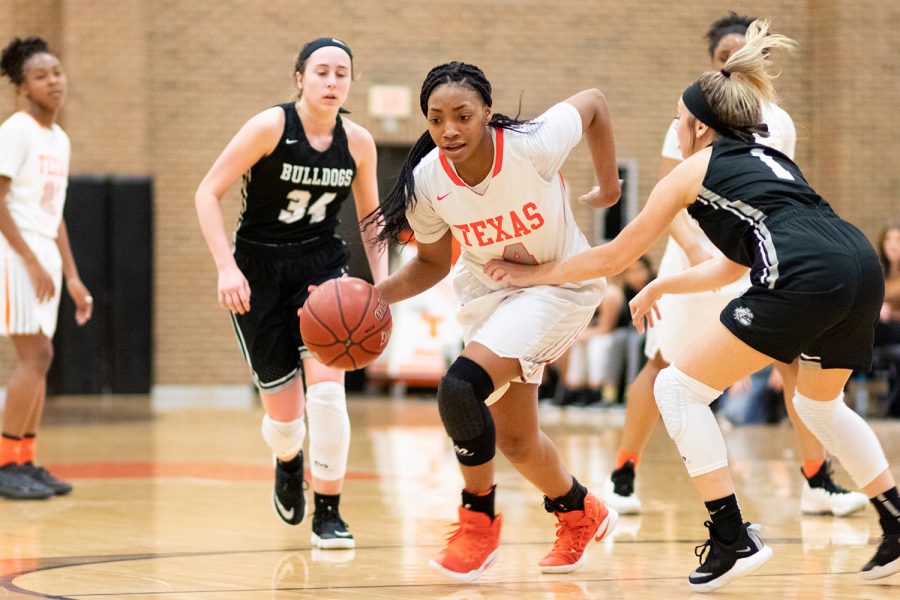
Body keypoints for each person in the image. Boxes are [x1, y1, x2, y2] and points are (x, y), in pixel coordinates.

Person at [485, 21, 900, 589]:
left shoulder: (692, 171)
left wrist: (533, 272)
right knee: (821, 407)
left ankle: (732, 534)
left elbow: (613, 257)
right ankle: (896, 520)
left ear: (698, 127)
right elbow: (732, 264)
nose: (676, 131)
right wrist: (660, 287)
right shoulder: (768, 158)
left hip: (805, 271)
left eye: (679, 122)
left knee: (676, 389)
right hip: (856, 263)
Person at [602, 12, 866, 520]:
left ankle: (818, 480)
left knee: (793, 363)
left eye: (743, 53)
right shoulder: (688, 120)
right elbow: (667, 200)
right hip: (695, 255)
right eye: (724, 56)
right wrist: (697, 252)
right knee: (663, 366)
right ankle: (623, 472)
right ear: (713, 65)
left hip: (756, 255)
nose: (734, 62)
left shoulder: (779, 122)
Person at [367, 61, 621, 581]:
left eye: (462, 115)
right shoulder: (428, 179)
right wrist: (372, 296)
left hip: (557, 287)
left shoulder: (531, 144)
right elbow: (432, 264)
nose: (449, 130)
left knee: (460, 389)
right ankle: (579, 511)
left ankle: (478, 525)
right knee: (517, 441)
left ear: (486, 111)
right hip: (492, 296)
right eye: (436, 120)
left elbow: (593, 100)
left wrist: (609, 183)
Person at [195, 37, 386, 549]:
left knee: (327, 396)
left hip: (321, 265)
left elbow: (371, 220)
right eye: (321, 72)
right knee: (285, 422)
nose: (331, 82)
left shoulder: (359, 142)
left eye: (342, 74)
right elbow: (206, 192)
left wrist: (383, 287)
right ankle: (287, 460)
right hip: (257, 269)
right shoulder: (270, 128)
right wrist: (225, 268)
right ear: (300, 77)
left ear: (351, 82)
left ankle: (329, 511)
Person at [0, 37, 91, 500]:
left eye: (56, 71)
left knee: (40, 359)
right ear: (23, 87)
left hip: (45, 259)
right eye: (41, 75)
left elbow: (54, 214)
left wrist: (72, 276)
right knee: (36, 356)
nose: (53, 80)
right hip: (15, 256)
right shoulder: (17, 129)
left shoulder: (61, 139)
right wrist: (32, 261)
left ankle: (25, 461)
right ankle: (4, 462)